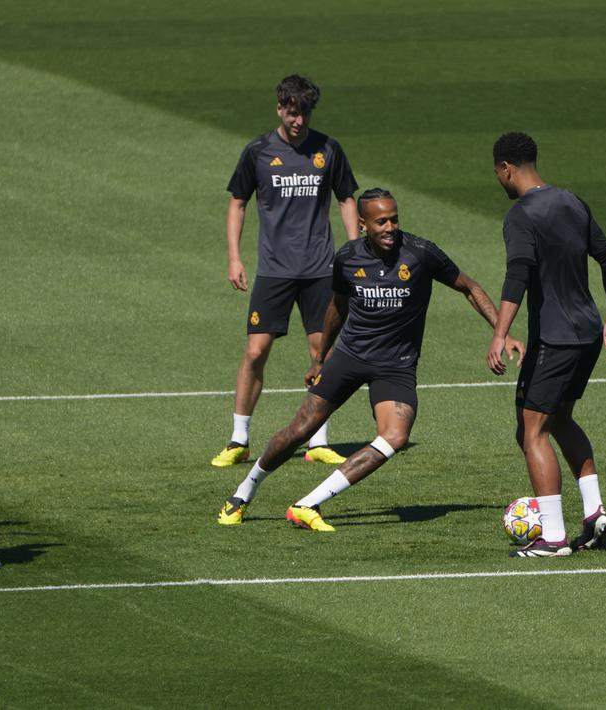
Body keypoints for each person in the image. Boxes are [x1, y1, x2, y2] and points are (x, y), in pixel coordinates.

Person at [217, 188, 519, 531]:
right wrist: (319, 359)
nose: (390, 227)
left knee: (395, 436)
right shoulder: (347, 258)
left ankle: (307, 503)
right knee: (299, 430)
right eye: (381, 222)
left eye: (394, 219)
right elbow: (337, 308)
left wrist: (501, 332)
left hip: (396, 365)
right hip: (350, 357)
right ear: (362, 225)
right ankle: (244, 491)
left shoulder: (420, 253)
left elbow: (469, 287)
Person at [486, 132, 606, 558]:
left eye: (498, 173)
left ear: (506, 169)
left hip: (555, 338)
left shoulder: (520, 215)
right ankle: (594, 512)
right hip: (586, 334)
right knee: (560, 419)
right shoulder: (571, 201)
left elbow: (518, 275)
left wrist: (498, 332)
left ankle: (554, 537)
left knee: (533, 431)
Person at [213, 74, 360, 468]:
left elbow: (347, 197)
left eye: (305, 113)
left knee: (322, 352)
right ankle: (238, 438)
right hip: (275, 271)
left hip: (319, 270)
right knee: (256, 351)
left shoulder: (328, 149)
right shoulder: (258, 151)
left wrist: (353, 249)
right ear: (280, 108)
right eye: (293, 113)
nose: (299, 120)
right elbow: (238, 203)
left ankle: (318, 441)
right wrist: (234, 257)